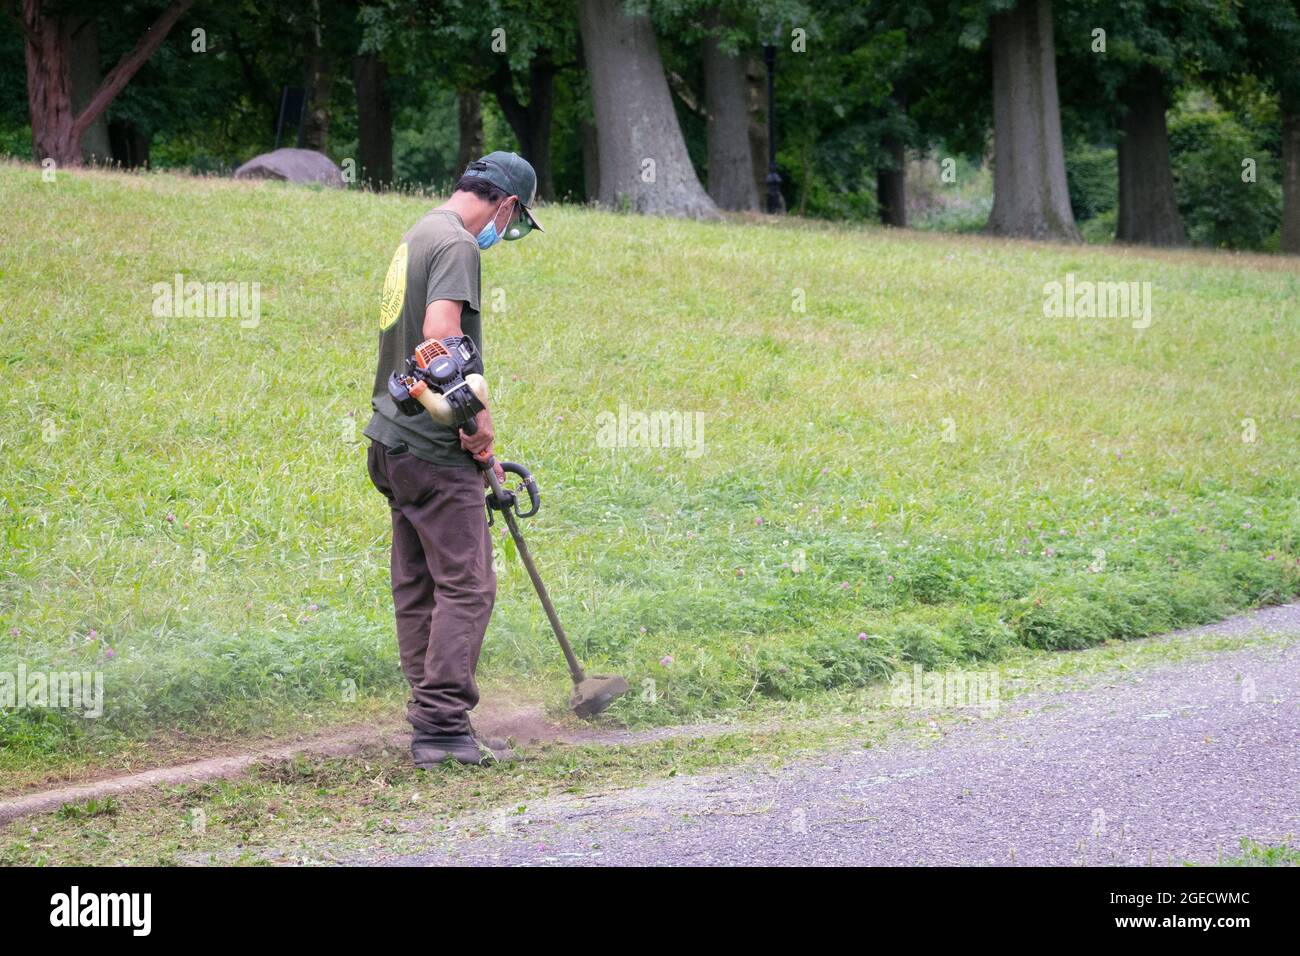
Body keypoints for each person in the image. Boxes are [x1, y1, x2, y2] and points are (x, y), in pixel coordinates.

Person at [363, 151, 544, 766]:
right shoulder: (459, 245)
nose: (505, 233)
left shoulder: (420, 232)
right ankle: (442, 728)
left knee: (418, 585)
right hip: (434, 451)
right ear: (506, 204)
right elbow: (437, 337)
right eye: (513, 222)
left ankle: (428, 714)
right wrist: (476, 421)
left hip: (391, 441)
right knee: (467, 587)